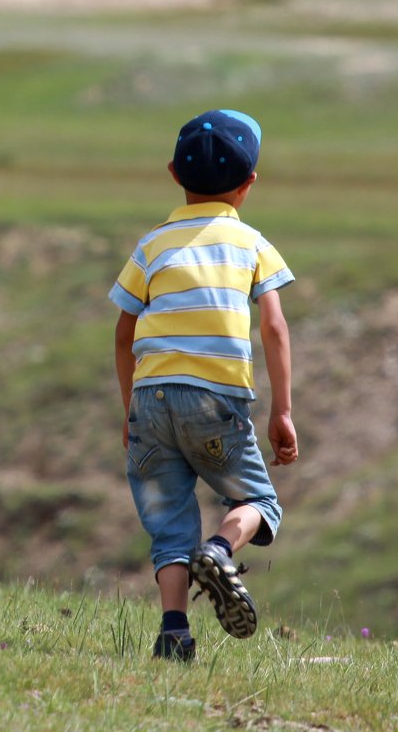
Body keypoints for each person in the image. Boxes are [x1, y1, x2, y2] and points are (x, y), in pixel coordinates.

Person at [109, 109, 299, 662]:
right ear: (249, 185)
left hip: (151, 398)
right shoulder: (251, 243)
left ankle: (174, 634)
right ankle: (219, 549)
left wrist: (131, 410)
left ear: (173, 173)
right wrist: (282, 412)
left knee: (168, 522)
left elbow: (124, 333)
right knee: (259, 500)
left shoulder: (152, 246)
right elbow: (274, 326)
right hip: (216, 400)